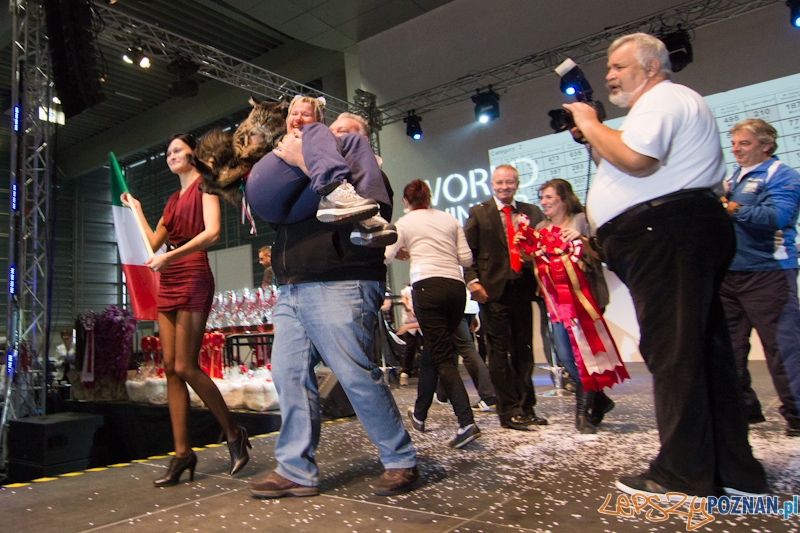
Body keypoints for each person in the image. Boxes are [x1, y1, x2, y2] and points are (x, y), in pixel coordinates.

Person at [564, 32, 767, 497]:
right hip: (678, 232)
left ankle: (683, 471)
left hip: (666, 234)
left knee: (674, 353)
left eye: (619, 66)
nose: (609, 75)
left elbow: (635, 159)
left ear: (652, 67)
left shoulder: (663, 99)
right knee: (703, 353)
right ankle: (733, 471)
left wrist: (590, 121)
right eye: (609, 68)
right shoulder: (666, 105)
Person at [247, 141, 417, 499]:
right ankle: (295, 469)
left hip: (342, 279)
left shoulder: (361, 170)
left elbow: (375, 215)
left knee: (354, 373)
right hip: (292, 286)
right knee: (288, 375)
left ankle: (399, 458)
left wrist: (310, 166)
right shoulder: (296, 175)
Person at [121, 133, 251, 487]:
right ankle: (182, 454)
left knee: (185, 365)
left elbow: (212, 233)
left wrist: (171, 256)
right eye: (167, 152)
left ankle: (234, 431)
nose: (171, 155)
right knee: (170, 369)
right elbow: (152, 243)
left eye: (177, 149)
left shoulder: (205, 187)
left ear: (194, 153)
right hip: (170, 277)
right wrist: (136, 209)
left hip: (193, 273)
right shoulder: (172, 200)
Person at [718, 118, 800, 437]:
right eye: (734, 144)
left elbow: (779, 216)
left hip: (769, 273)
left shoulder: (782, 174)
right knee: (731, 349)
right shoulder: (733, 177)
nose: (736, 149)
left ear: (767, 145)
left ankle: (796, 414)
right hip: (730, 274)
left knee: (782, 348)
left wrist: (732, 208)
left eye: (745, 143)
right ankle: (745, 409)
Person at [385, 180, 480, 449]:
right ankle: (419, 413)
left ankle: (466, 422)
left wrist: (403, 251)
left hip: (427, 288)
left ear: (406, 201)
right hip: (456, 289)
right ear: (429, 197)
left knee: (442, 356)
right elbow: (466, 259)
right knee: (433, 351)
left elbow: (386, 256)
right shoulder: (449, 219)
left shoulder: (404, 223)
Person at [524, 179, 623, 434]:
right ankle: (599, 399)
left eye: (549, 197)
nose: (544, 202)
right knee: (567, 358)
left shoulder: (581, 220)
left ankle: (583, 413)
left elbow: (601, 252)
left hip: (585, 301)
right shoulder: (541, 228)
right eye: (542, 198)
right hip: (557, 305)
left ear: (564, 199)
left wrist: (583, 240)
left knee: (586, 357)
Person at [243, 96, 396, 246]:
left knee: (354, 142)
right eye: (294, 113)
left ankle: (372, 219)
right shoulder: (302, 137)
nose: (298, 118)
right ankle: (334, 192)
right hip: (262, 190)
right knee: (318, 138)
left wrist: (301, 160)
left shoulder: (348, 161)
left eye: (306, 114)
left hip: (291, 213)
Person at [463, 164, 548, 431]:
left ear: (517, 184)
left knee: (524, 349)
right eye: (500, 182)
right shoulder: (479, 212)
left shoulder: (530, 212)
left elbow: (541, 247)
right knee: (499, 352)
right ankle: (508, 410)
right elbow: (467, 252)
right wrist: (472, 282)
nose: (505, 187)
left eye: (510, 182)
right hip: (492, 292)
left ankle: (527, 407)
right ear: (492, 185)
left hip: (522, 288)